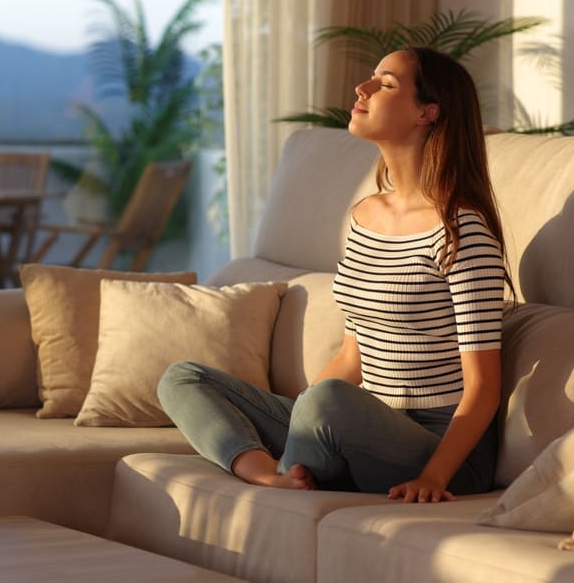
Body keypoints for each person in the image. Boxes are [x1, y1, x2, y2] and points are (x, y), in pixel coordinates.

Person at [157, 46, 511, 503]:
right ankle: (267, 475)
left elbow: (483, 388)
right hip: (361, 422)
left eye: (384, 84)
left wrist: (435, 477)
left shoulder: (463, 232)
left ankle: (294, 468)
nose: (362, 89)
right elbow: (352, 357)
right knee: (183, 377)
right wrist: (306, 414)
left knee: (327, 402)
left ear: (428, 112)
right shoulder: (364, 216)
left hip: (441, 449)